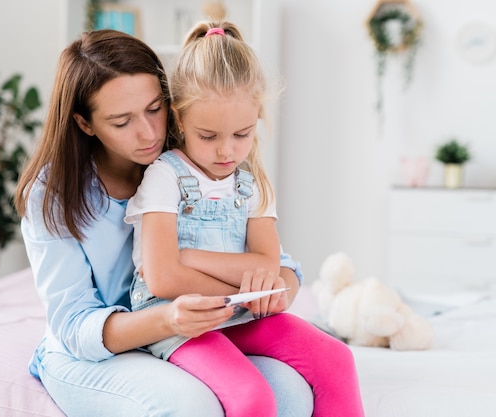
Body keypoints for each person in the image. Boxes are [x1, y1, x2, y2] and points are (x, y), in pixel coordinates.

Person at [14, 29, 316, 417]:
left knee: (292, 394)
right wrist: (168, 318)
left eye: (154, 109)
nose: (149, 133)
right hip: (94, 351)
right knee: (191, 405)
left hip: (183, 335)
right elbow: (74, 326)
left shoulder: (189, 159)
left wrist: (279, 286)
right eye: (122, 122)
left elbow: (269, 260)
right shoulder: (52, 193)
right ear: (85, 123)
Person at [123, 21, 364, 417]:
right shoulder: (165, 177)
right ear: (180, 121)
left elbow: (267, 265)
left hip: (240, 311)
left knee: (336, 359)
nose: (226, 151)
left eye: (242, 134)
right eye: (208, 135)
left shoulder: (251, 185)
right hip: (176, 320)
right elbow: (163, 279)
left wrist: (190, 257)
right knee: (252, 395)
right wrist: (238, 284)